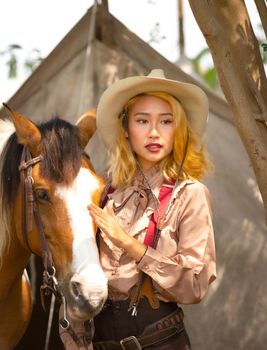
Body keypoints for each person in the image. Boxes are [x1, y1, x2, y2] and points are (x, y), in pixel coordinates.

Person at [60, 69, 216, 350]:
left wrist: (128, 243)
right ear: (126, 130)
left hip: (161, 341)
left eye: (166, 122)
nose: (154, 132)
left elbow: (194, 286)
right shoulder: (102, 191)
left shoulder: (190, 195)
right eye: (142, 121)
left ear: (177, 130)